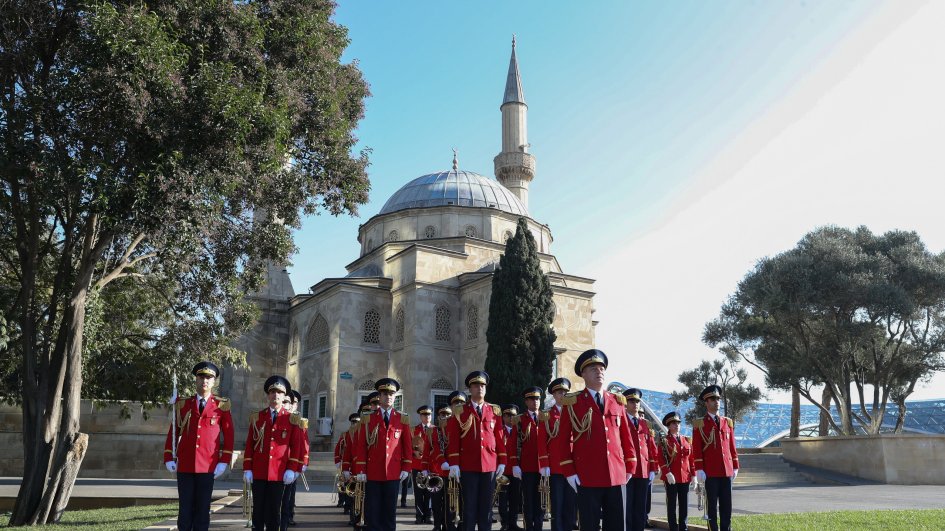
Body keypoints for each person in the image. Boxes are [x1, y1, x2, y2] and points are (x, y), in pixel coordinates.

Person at [558, 350, 635, 531]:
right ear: (583, 374)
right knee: (590, 525)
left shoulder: (617, 401)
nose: (599, 371)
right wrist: (569, 472)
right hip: (587, 475)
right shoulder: (573, 402)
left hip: (616, 475)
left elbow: (626, 436)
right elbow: (563, 440)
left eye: (601, 368)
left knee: (616, 525)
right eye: (593, 368)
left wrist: (630, 465)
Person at [164, 361, 234, 531]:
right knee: (185, 508)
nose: (205, 381)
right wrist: (168, 456)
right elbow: (174, 431)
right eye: (202, 377)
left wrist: (224, 460)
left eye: (209, 378)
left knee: (203, 509)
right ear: (196, 380)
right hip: (186, 464)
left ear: (214, 382)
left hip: (208, 465)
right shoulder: (183, 404)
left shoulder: (221, 405)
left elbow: (229, 435)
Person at [446, 371, 507, 531]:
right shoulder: (460, 411)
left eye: (482, 385)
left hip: (489, 466)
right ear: (470, 389)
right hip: (468, 466)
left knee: (487, 509)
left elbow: (499, 438)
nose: (479, 388)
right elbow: (454, 440)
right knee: (470, 508)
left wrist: (503, 461)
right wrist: (454, 463)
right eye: (475, 385)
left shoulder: (494, 411)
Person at [242, 376, 304, 531]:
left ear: (284, 396)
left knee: (274, 514)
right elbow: (250, 444)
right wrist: (247, 468)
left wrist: (292, 468)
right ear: (268, 395)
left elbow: (296, 446)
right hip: (259, 472)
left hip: (279, 473)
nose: (275, 395)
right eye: (272, 392)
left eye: (279, 392)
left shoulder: (292, 419)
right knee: (258, 512)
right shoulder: (257, 417)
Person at [352, 378, 413, 531]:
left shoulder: (402, 419)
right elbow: (362, 446)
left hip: (393, 473)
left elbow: (407, 445)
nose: (389, 396)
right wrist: (361, 470)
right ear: (379, 396)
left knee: (389, 513)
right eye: (385, 393)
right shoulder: (368, 419)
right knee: (373, 513)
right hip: (373, 473)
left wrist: (406, 467)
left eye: (392, 393)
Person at [692, 385, 739, 531]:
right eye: (713, 399)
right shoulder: (700, 424)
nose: (716, 402)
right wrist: (699, 469)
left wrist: (735, 465)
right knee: (711, 507)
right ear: (706, 402)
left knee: (726, 506)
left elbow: (732, 446)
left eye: (718, 399)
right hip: (710, 472)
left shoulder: (727, 422)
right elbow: (697, 448)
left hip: (726, 470)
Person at [539, 377, 577, 531]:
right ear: (553, 395)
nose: (562, 395)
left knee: (571, 505)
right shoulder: (547, 415)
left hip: (573, 467)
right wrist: (544, 464)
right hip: (556, 467)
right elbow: (541, 442)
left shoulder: (575, 413)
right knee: (557, 505)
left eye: (565, 392)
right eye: (559, 392)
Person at [427, 393, 467, 531]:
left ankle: (461, 525)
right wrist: (441, 462)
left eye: (461, 403)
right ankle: (446, 525)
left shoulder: (466, 423)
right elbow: (436, 448)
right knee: (446, 501)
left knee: (462, 501)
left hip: (464, 469)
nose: (458, 406)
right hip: (444, 470)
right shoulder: (438, 429)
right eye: (455, 403)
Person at [511, 387, 548, 531]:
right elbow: (513, 444)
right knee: (528, 500)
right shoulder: (519, 419)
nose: (536, 402)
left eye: (538, 399)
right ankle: (529, 527)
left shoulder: (545, 417)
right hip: (527, 467)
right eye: (532, 399)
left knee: (541, 500)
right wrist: (515, 464)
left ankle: (538, 526)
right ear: (526, 401)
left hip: (543, 466)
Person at [622, 388, 657, 531]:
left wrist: (653, 469)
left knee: (640, 508)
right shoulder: (621, 421)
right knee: (628, 507)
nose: (635, 404)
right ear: (625, 403)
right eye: (631, 401)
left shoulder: (645, 424)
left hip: (643, 471)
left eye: (637, 401)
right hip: (627, 472)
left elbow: (651, 447)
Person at [657, 412, 695, 531]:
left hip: (685, 477)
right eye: (674, 423)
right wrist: (667, 472)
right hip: (671, 477)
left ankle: (683, 527)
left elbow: (691, 459)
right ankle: (673, 528)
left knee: (684, 504)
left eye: (678, 423)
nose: (677, 425)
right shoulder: (664, 441)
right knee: (672, 505)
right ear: (668, 426)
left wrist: (694, 475)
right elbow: (660, 458)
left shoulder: (686, 440)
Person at [280, 389, 309, 529]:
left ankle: (288, 517)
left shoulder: (299, 422)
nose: (291, 405)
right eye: (288, 402)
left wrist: (303, 462)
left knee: (289, 494)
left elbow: (304, 445)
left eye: (294, 402)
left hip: (292, 463)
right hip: (278, 463)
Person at [498, 404, 521, 531]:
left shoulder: (519, 431)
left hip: (516, 470)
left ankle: (513, 523)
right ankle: (505, 523)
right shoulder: (500, 430)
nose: (510, 418)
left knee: (515, 498)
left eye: (513, 415)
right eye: (507, 415)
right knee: (502, 499)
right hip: (504, 471)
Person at [413, 405, 435, 523]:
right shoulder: (414, 430)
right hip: (417, 465)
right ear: (420, 417)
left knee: (429, 492)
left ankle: (428, 515)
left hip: (431, 466)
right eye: (425, 415)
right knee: (418, 492)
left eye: (429, 415)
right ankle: (419, 515)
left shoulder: (435, 429)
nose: (427, 417)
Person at [336, 412, 361, 516]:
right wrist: (338, 460)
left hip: (358, 466)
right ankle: (346, 506)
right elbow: (339, 448)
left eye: (357, 422)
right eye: (353, 422)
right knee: (346, 487)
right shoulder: (345, 434)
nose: (354, 424)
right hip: (347, 464)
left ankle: (354, 511)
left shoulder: (362, 433)